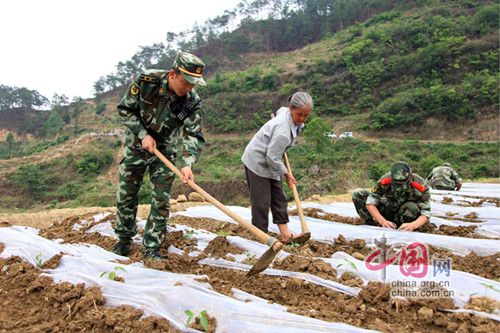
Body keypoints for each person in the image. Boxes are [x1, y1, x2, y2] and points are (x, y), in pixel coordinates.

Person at [112, 51, 206, 260]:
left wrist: (187, 163)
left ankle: (152, 248)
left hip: (165, 148)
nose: (189, 89)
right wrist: (143, 134)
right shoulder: (148, 81)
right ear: (173, 74)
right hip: (136, 143)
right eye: (186, 83)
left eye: (194, 84)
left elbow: (193, 134)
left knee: (161, 200)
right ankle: (123, 241)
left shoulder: (191, 101)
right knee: (127, 193)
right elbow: (125, 109)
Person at [242, 92, 313, 244]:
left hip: (273, 160)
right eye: (299, 114)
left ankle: (286, 234)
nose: (301, 119)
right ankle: (261, 238)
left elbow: (281, 110)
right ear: (291, 109)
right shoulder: (283, 133)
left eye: (305, 116)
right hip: (257, 160)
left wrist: (282, 172)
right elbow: (271, 157)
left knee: (279, 198)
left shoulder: (286, 114)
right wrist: (286, 174)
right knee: (262, 202)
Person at [352, 161, 431, 232]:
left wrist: (413, 225)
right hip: (387, 210)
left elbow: (426, 212)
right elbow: (370, 202)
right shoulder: (385, 180)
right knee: (357, 193)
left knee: (411, 207)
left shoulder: (421, 185)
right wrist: (382, 221)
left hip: (404, 216)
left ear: (410, 178)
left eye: (402, 184)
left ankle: (403, 229)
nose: (399, 187)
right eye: (396, 184)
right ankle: (371, 225)